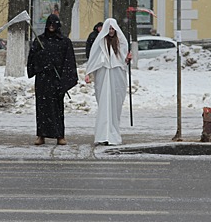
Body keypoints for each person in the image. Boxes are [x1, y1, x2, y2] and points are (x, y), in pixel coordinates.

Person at [27, 14, 78, 146]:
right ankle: (41, 135)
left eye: (54, 24)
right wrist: (41, 59)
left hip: (57, 80)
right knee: (42, 109)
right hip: (43, 80)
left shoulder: (64, 42)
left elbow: (69, 62)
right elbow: (32, 60)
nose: (51, 26)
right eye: (49, 24)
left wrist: (65, 81)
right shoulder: (39, 41)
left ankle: (59, 135)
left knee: (57, 109)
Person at [84, 18, 132, 146]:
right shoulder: (100, 42)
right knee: (104, 106)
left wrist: (127, 59)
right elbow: (94, 57)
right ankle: (103, 134)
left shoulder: (121, 42)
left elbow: (122, 61)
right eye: (109, 29)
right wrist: (88, 72)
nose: (111, 31)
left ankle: (113, 134)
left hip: (117, 77)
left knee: (115, 107)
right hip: (103, 77)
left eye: (112, 29)